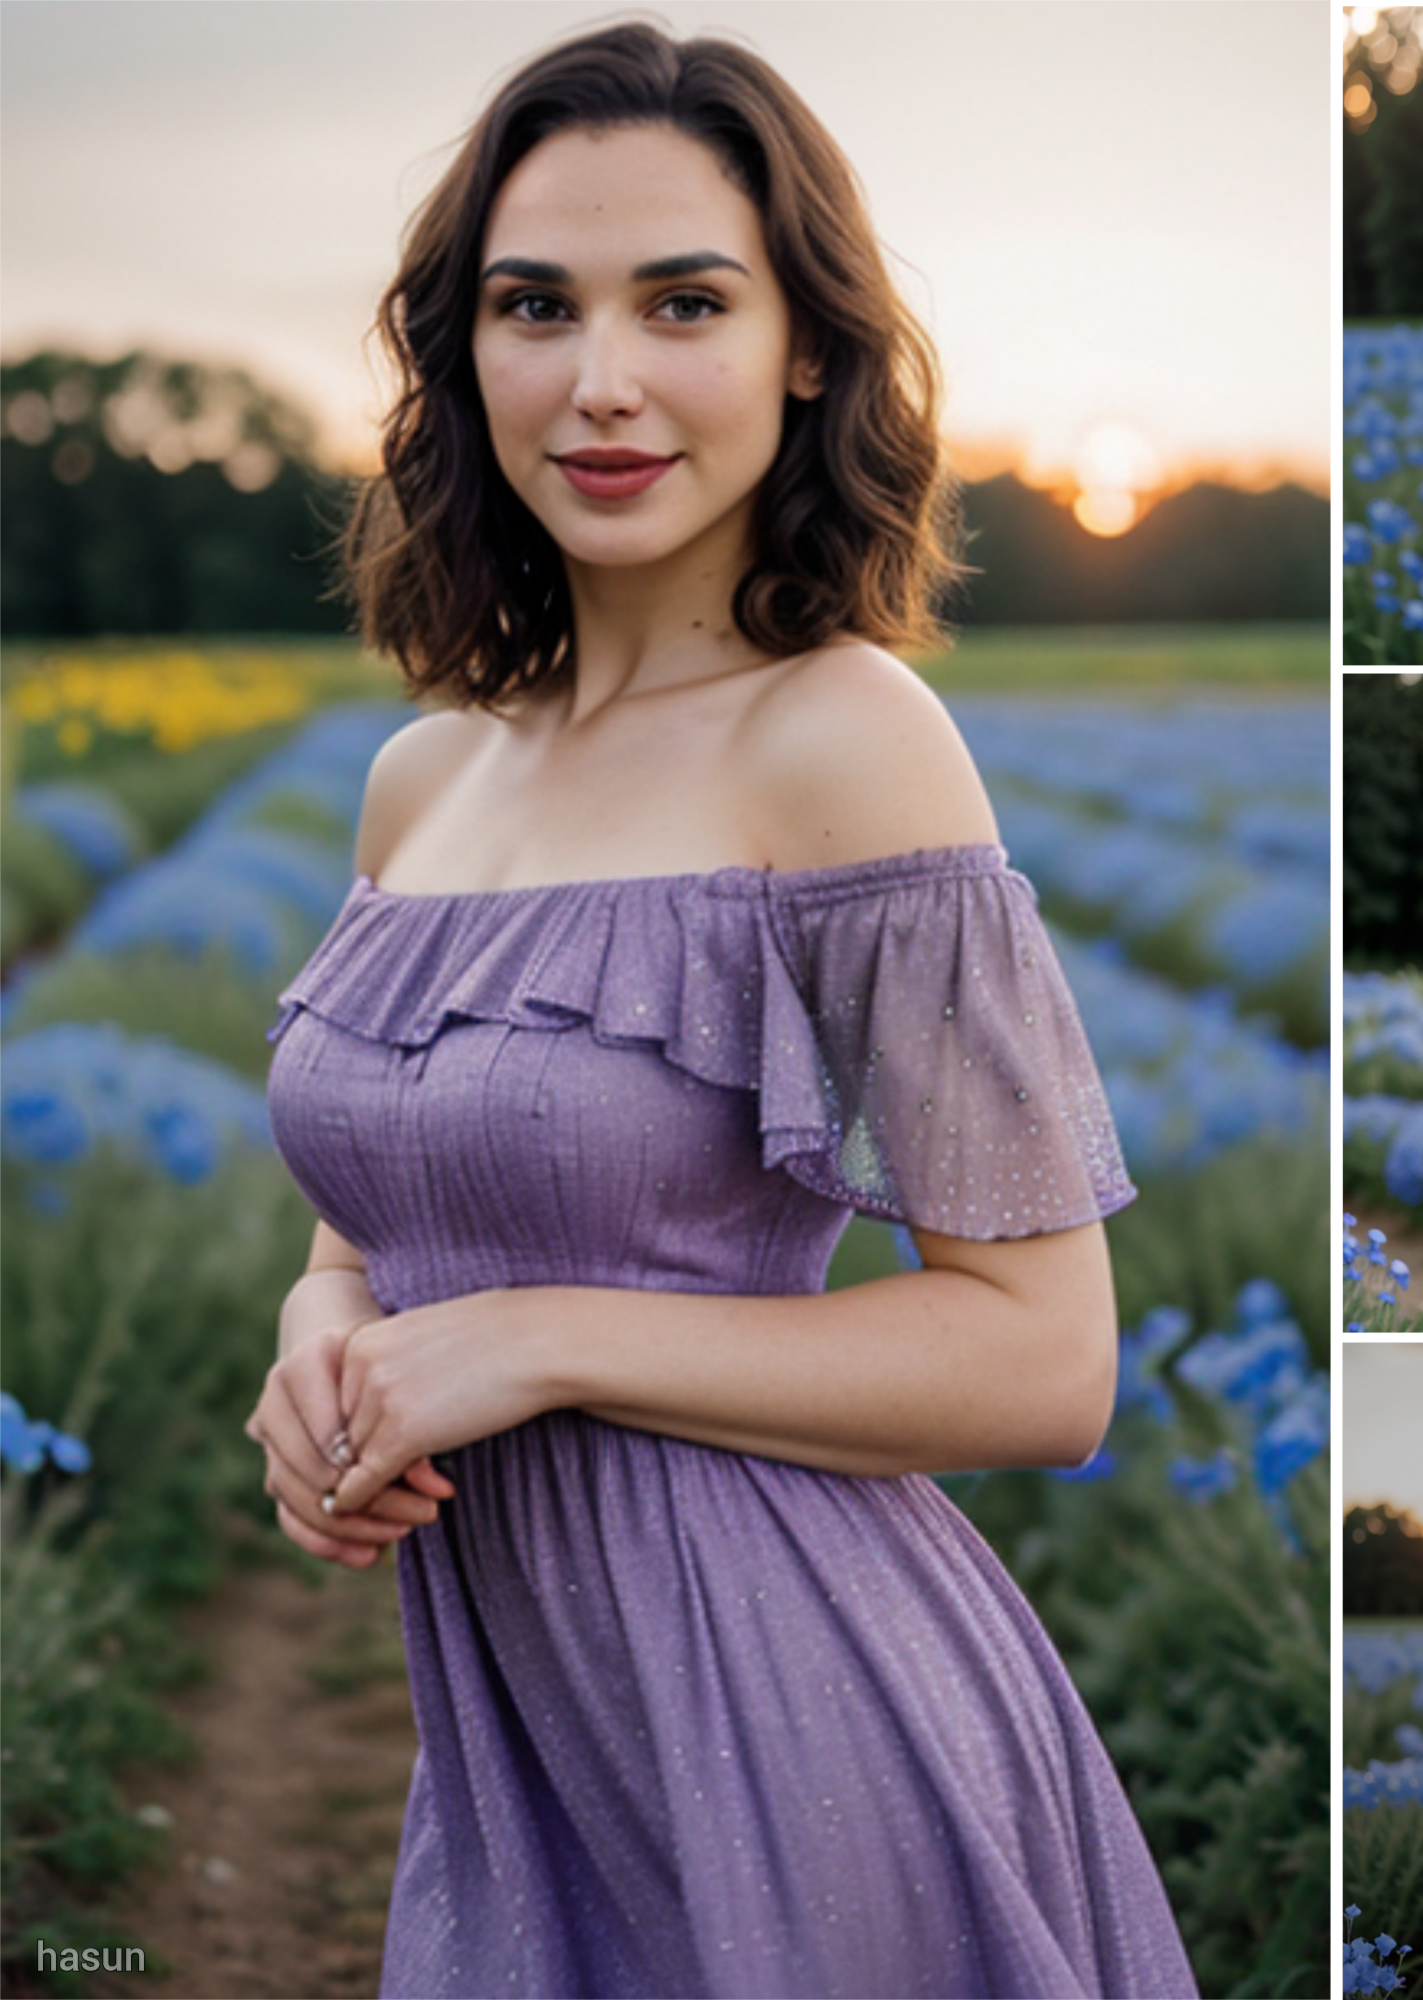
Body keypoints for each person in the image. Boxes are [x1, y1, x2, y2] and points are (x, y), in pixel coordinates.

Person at [242, 23, 1198, 1999]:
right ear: (464, 353)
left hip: (785, 1707)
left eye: (685, 302)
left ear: (809, 350)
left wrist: (527, 1342)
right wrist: (324, 1330)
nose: (601, 381)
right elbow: (379, 1217)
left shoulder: (845, 737)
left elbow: (1043, 1364)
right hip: (518, 1725)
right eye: (534, 307)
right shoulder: (426, 776)